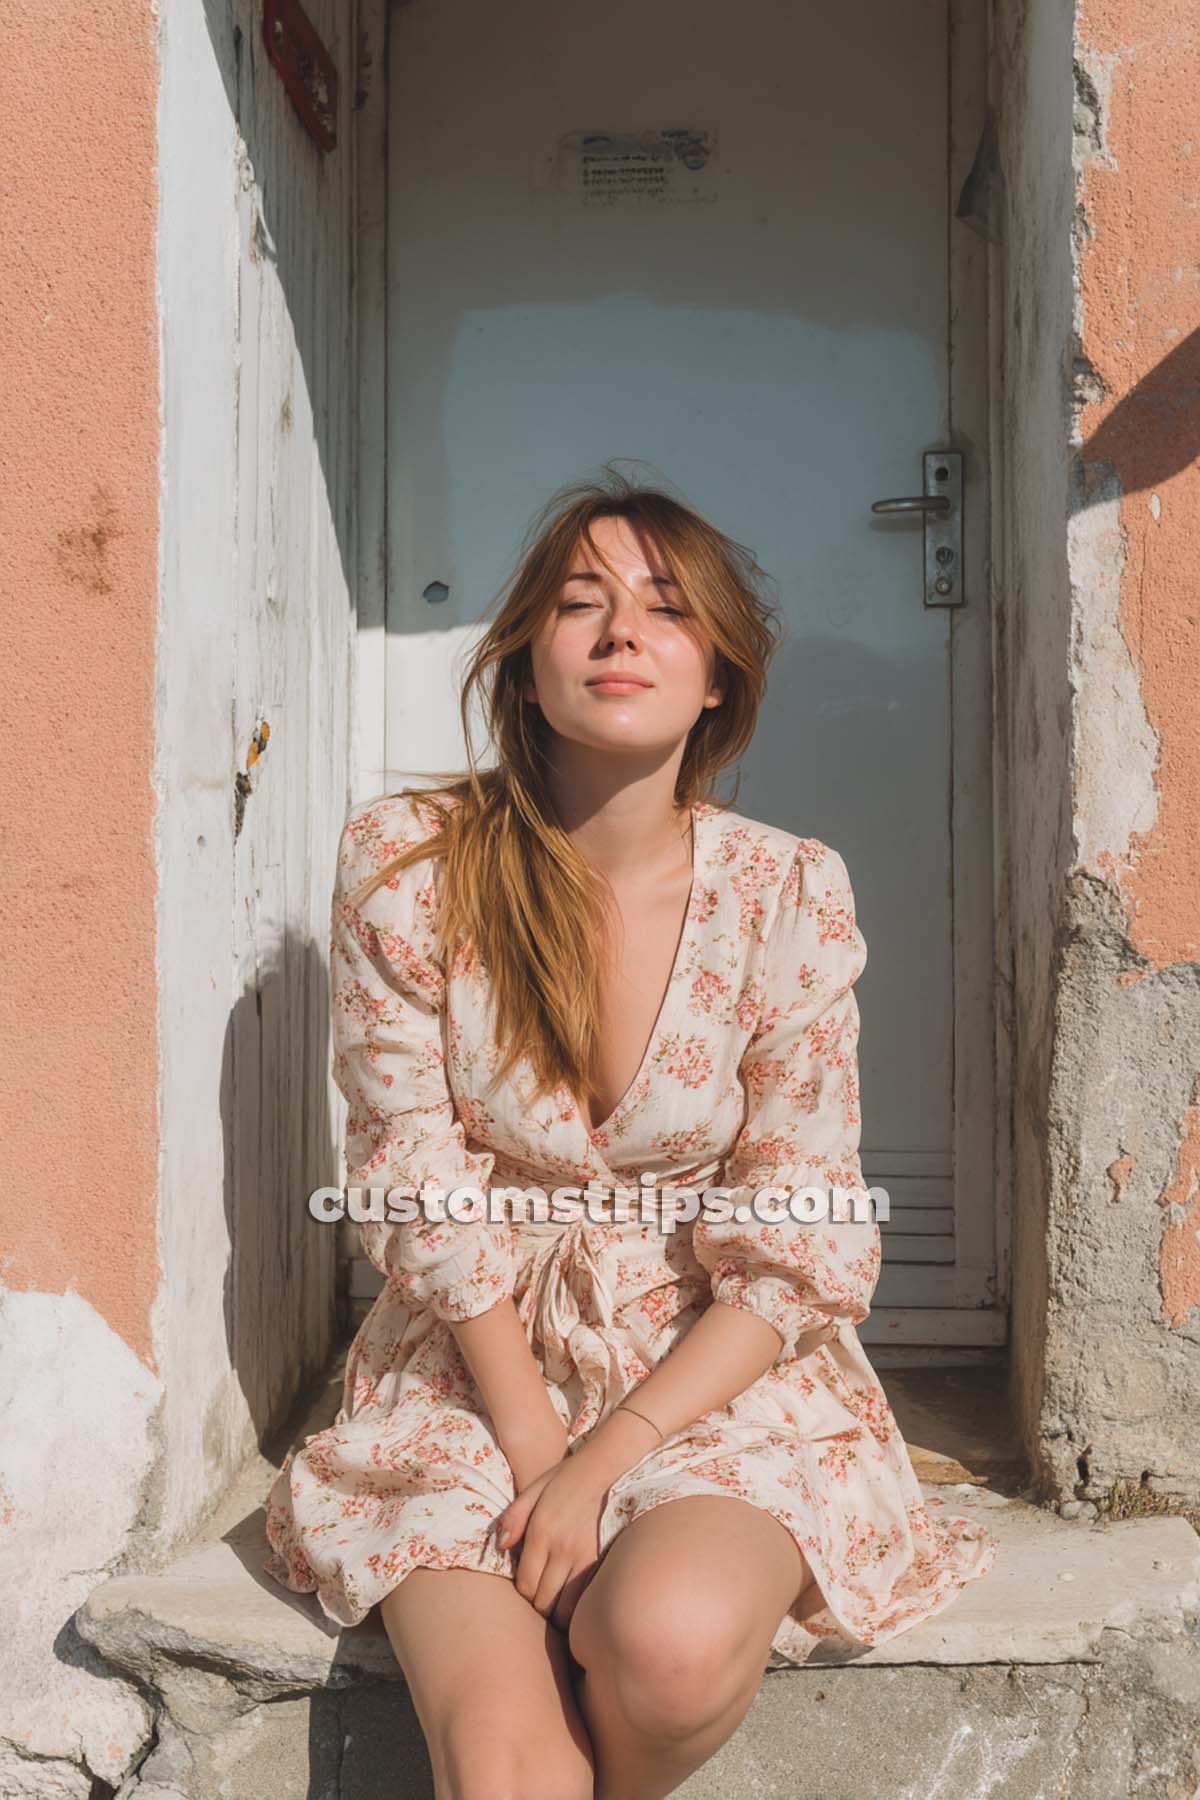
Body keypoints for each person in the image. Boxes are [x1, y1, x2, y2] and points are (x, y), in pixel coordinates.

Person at [262, 472, 998, 1800]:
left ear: (717, 675)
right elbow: (412, 1173)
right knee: (500, 1772)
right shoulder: (411, 864)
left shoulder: (790, 890)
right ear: (524, 661)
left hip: (713, 1371)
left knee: (660, 1644)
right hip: (473, 1372)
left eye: (665, 609)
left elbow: (798, 1232)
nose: (617, 633)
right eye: (578, 602)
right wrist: (540, 1450)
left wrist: (611, 1456)